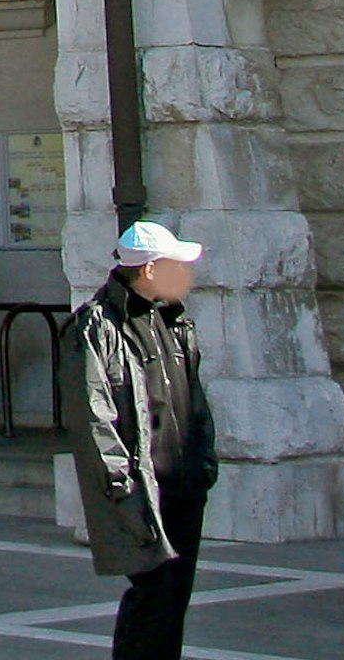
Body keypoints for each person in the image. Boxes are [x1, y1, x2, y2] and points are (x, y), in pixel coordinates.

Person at [70, 219, 219, 660]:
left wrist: (205, 461)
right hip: (141, 488)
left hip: (183, 481)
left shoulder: (174, 321)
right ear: (150, 269)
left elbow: (194, 400)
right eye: (177, 266)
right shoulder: (99, 325)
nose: (186, 277)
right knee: (152, 594)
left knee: (175, 596)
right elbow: (94, 415)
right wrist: (121, 484)